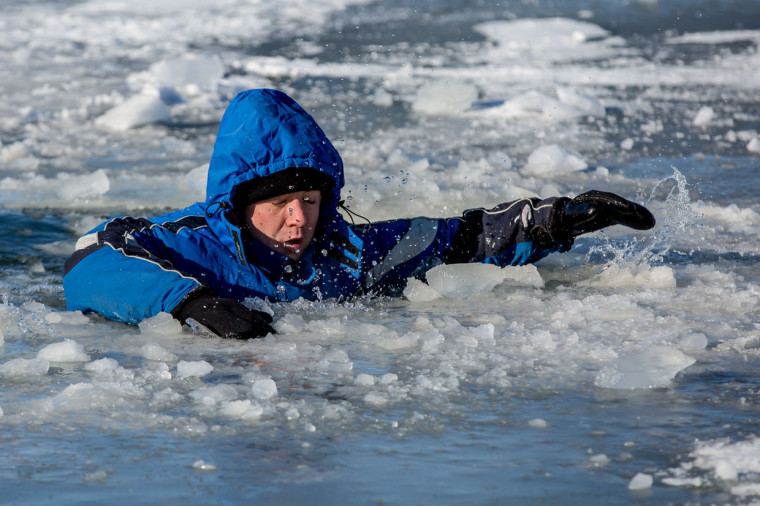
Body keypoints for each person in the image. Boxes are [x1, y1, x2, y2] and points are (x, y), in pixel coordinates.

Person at [63, 89, 655, 339]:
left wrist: (553, 219)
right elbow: (88, 259)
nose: (299, 221)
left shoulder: (346, 249)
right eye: (278, 205)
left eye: (312, 202)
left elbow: (460, 239)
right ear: (240, 205)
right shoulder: (190, 242)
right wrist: (191, 303)